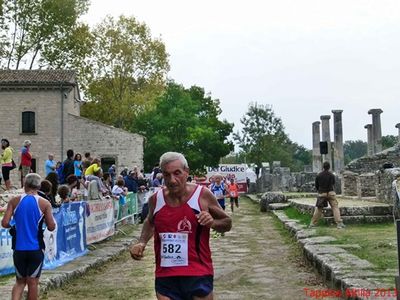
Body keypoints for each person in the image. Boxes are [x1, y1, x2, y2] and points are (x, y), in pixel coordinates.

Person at [130, 152, 232, 300]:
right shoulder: (155, 199)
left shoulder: (203, 195)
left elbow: (227, 223)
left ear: (186, 172)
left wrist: (212, 222)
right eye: (166, 175)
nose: (172, 180)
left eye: (177, 173)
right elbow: (150, 221)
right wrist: (142, 242)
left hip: (198, 271)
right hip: (166, 274)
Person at [1, 173, 56, 300]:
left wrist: (14, 227)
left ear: (24, 185)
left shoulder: (14, 201)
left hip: (19, 248)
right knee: (33, 282)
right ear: (39, 186)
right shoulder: (45, 203)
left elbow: (4, 223)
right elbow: (51, 226)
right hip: (35, 248)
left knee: (20, 282)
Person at [309, 161, 346, 229]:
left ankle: (313, 223)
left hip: (322, 192)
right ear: (329, 167)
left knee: (319, 208)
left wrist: (319, 191)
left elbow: (316, 185)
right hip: (330, 192)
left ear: (323, 167)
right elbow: (333, 183)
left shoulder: (319, 175)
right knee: (335, 207)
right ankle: (339, 223)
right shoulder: (331, 175)